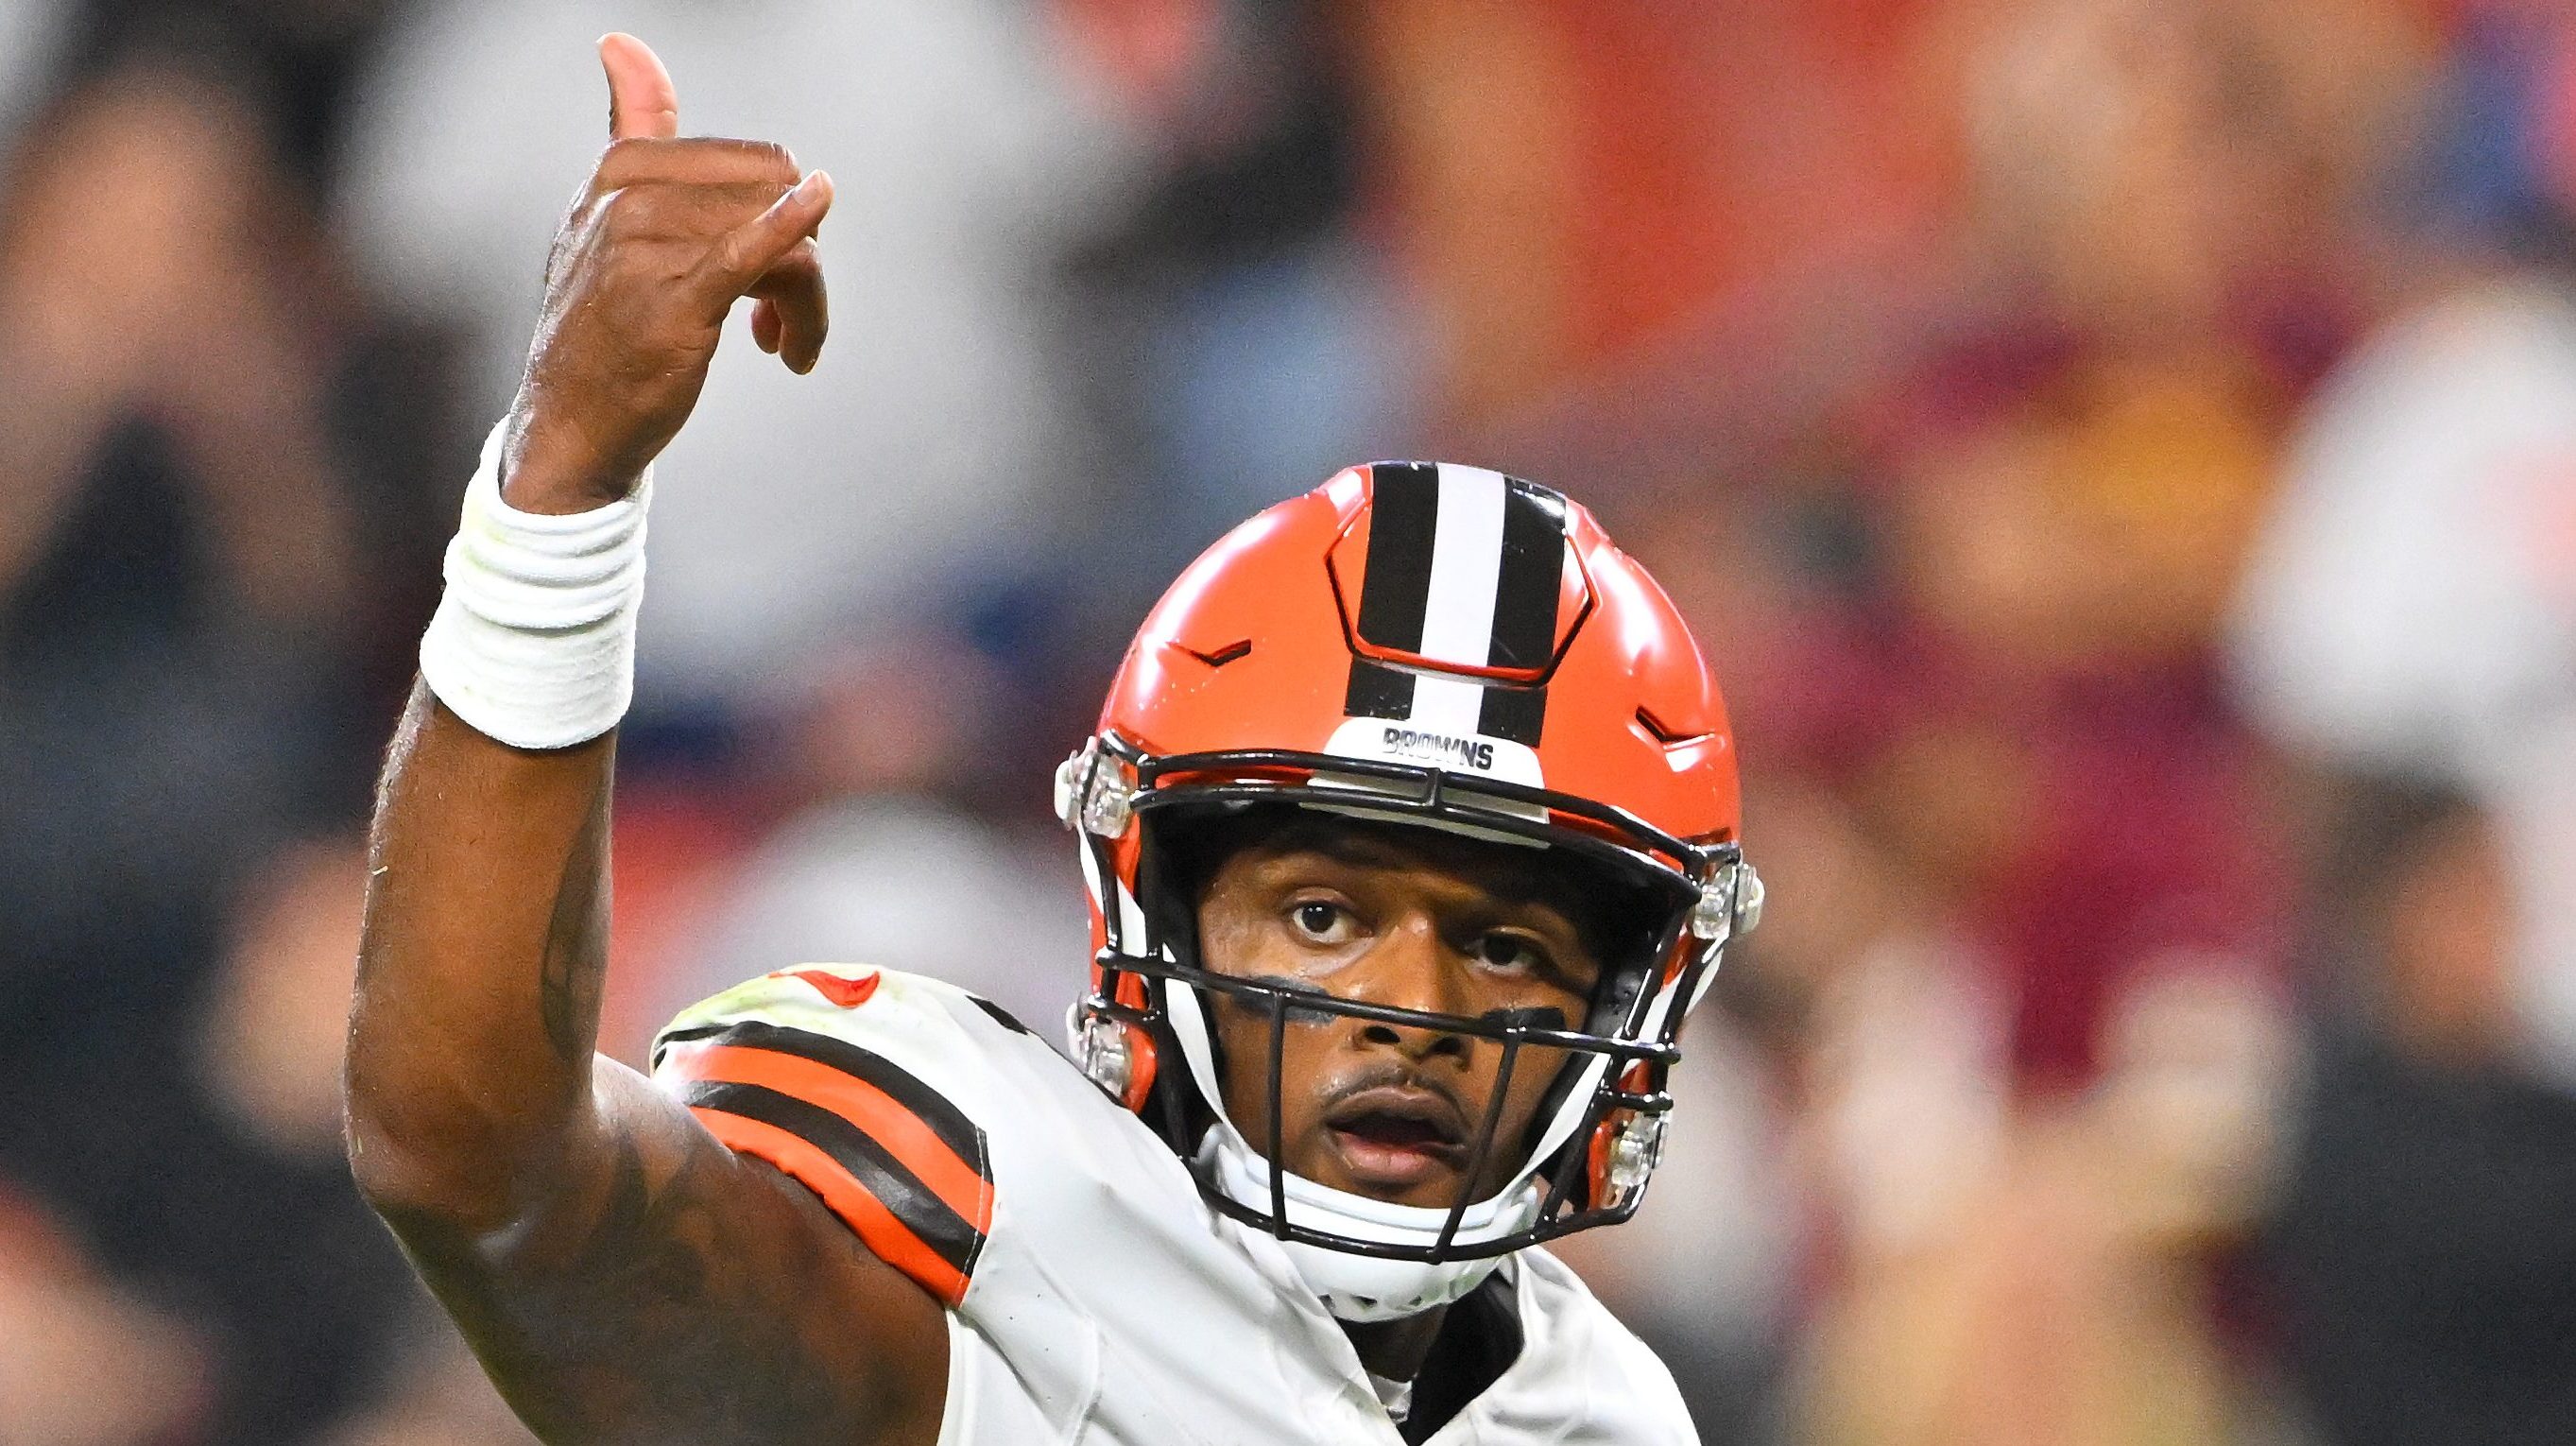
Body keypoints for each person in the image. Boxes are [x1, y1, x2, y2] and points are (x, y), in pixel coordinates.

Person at [346, 35, 1760, 1445]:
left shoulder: (1606, 1408)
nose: (1405, 1006)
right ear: (1161, 902)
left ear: (1630, 991)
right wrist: (563, 483)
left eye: (1505, 945)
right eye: (1323, 912)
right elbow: (475, 1154)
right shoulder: (999, 1263)